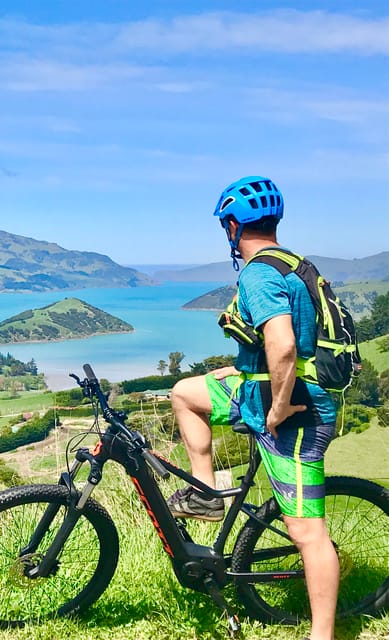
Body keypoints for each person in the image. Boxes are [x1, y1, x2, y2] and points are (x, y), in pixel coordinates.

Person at [166, 176, 339, 640]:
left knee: (307, 533)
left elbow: (283, 346)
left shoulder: (260, 272)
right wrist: (239, 372)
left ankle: (322, 635)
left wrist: (279, 406)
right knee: (185, 393)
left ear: (231, 225)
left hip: (296, 414)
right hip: (259, 393)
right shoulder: (293, 263)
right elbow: (282, 347)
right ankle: (206, 494)